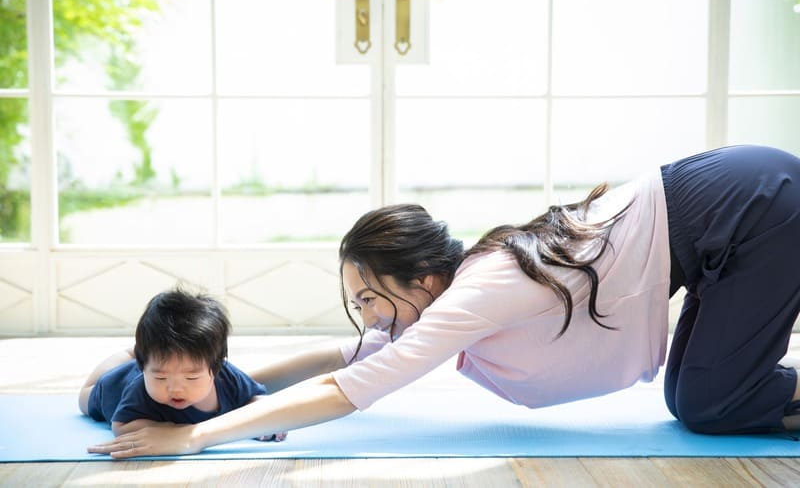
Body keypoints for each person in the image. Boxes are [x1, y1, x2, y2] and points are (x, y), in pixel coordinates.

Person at [88, 144, 800, 458]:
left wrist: (195, 435)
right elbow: (342, 356)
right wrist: (211, 376)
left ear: (422, 281)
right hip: (718, 221)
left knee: (709, 403)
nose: (370, 317)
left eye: (371, 297)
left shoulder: (477, 294)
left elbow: (346, 389)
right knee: (693, 398)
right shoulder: (462, 288)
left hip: (750, 206)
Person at [79, 288, 285, 441]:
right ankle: (130, 354)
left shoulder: (227, 376)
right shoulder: (139, 390)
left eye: (191, 377)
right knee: (84, 397)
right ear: (144, 369)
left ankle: (141, 354)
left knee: (161, 360)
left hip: (150, 362)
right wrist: (173, 430)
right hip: (113, 385)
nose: (175, 388)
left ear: (215, 368)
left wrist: (268, 419)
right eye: (161, 378)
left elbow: (256, 398)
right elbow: (121, 426)